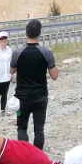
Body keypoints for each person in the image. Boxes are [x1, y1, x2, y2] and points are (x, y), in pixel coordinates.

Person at [12, 19, 58, 149]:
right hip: (40, 96)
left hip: (22, 97)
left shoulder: (17, 52)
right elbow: (54, 76)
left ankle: (26, 156)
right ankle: (38, 157)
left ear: (26, 33)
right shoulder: (46, 52)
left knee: (21, 128)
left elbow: (11, 71)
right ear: (40, 33)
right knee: (39, 129)